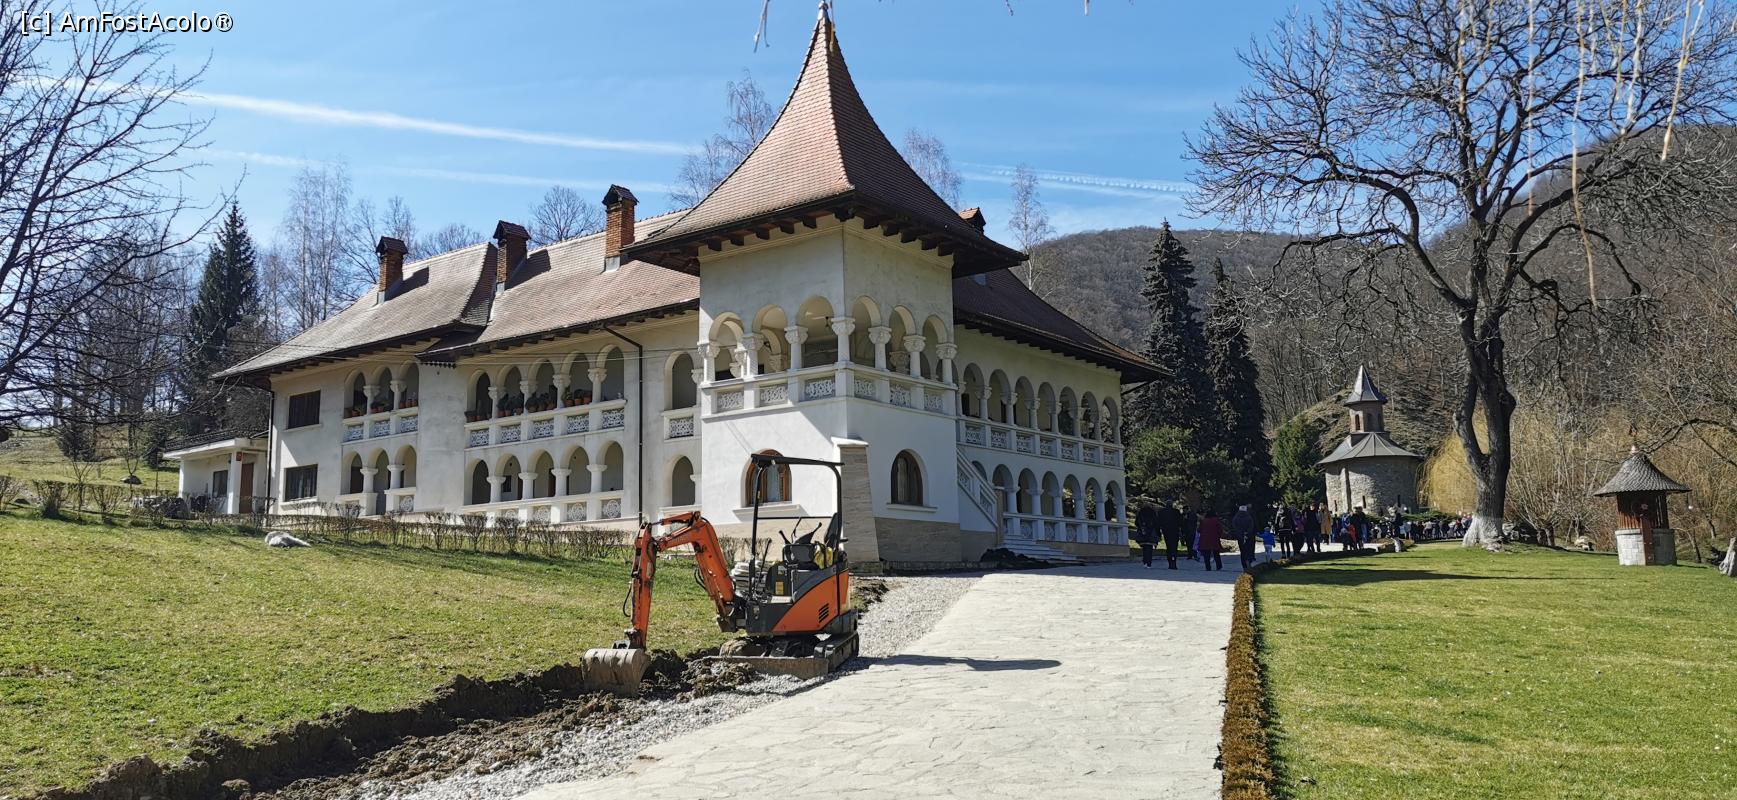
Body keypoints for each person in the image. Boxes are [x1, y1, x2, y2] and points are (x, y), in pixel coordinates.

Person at [1156, 500, 1184, 569]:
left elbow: (1158, 522)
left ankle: (1170, 562)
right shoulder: (1176, 512)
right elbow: (1181, 522)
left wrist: (1158, 532)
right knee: (1174, 547)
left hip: (1166, 531)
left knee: (1168, 546)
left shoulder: (1161, 512)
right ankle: (1174, 562)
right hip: (1175, 531)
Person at [1135, 500, 1161, 568]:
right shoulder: (1153, 512)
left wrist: (1141, 526)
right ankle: (1149, 563)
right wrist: (1158, 533)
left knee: (1144, 548)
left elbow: (1136, 522)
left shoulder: (1140, 512)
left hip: (1143, 532)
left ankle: (1145, 562)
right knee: (1150, 548)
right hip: (1151, 533)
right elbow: (1156, 523)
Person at [1232, 504, 1257, 570]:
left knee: (1242, 551)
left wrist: (1239, 533)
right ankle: (1248, 561)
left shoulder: (1236, 518)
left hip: (1240, 536)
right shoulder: (1249, 517)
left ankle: (1244, 566)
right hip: (1248, 536)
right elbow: (1251, 526)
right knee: (1249, 549)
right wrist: (1247, 533)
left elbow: (1234, 526)